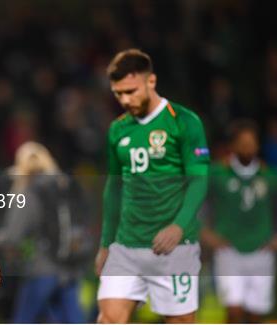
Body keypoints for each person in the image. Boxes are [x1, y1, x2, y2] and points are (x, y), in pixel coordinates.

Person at [95, 49, 210, 323]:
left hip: (174, 247)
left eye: (131, 91)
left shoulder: (184, 121)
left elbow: (199, 179)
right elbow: (113, 189)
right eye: (118, 93)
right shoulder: (118, 129)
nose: (125, 100)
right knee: (108, 319)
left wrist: (178, 225)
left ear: (151, 81)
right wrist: (105, 243)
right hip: (127, 245)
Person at [202, 119, 277, 323]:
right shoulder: (217, 173)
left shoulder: (269, 175)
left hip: (262, 251)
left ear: (258, 146)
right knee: (234, 312)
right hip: (229, 251)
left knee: (256, 316)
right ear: (232, 146)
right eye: (242, 143)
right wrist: (204, 232)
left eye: (251, 143)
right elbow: (191, 200)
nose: (247, 147)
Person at [0, 141, 90, 323]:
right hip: (70, 267)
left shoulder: (30, 190)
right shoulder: (64, 185)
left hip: (42, 268)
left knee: (22, 319)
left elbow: (14, 235)